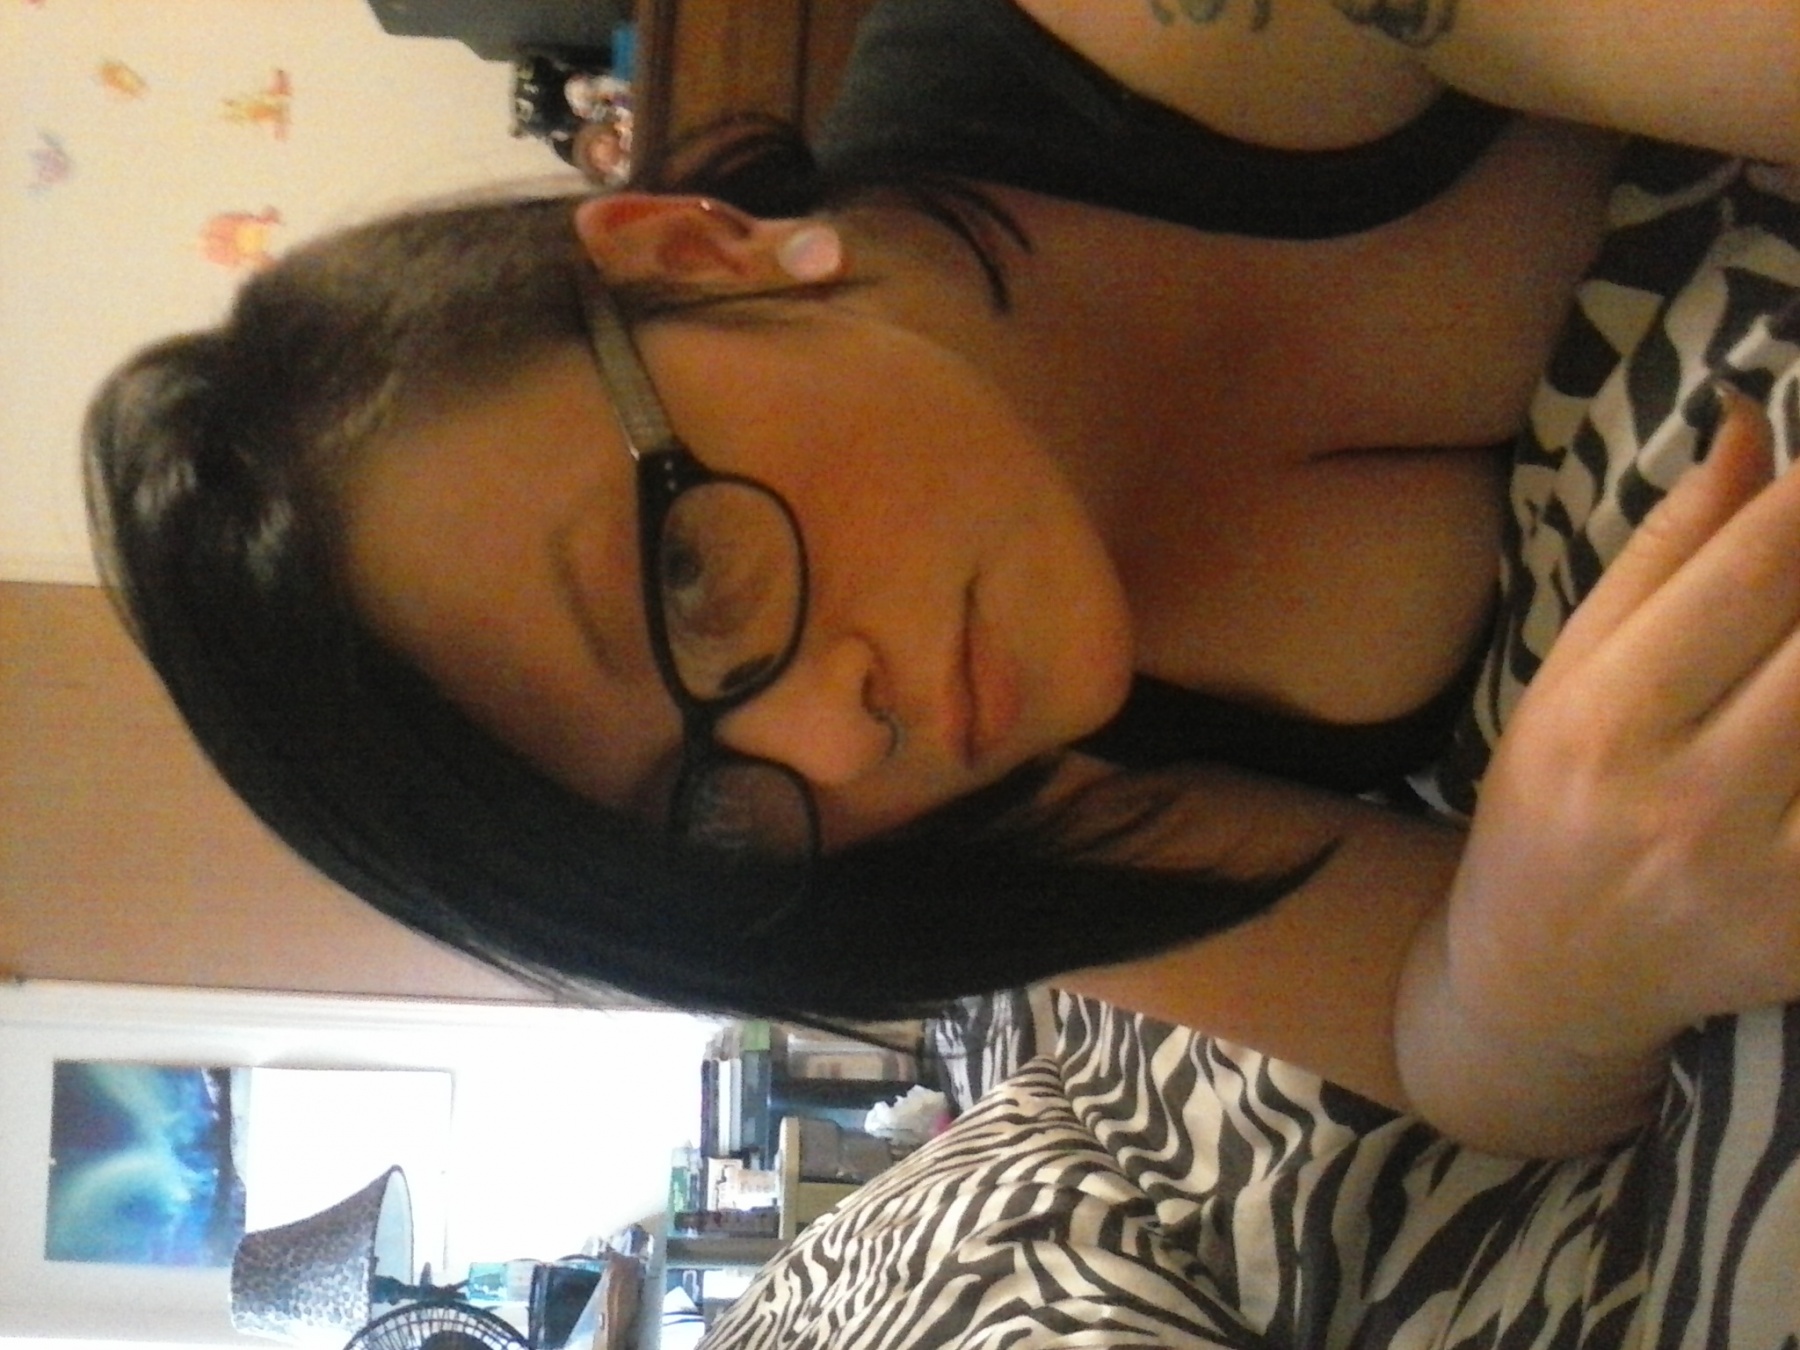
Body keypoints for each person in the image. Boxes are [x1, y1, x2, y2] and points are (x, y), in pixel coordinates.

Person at [83, 0, 1798, 1161]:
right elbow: (1444, 1034)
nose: (841, 749)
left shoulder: (1162, 37)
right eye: (702, 812)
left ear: (692, 250)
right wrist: (1540, 966)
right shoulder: (934, 826)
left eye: (687, 577)